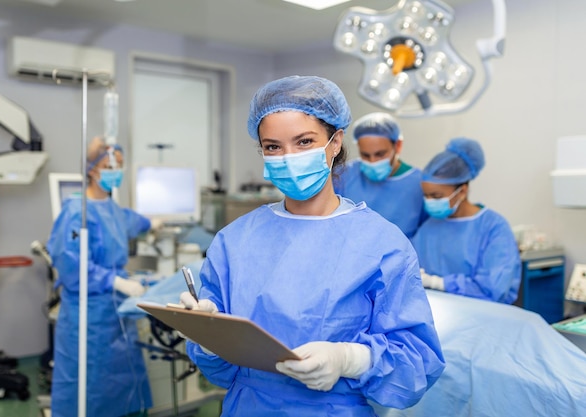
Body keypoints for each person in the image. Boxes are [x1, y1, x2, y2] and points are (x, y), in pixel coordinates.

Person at [178, 75, 445, 416]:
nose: (288, 157)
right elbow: (219, 373)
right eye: (273, 147)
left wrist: (349, 359)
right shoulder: (234, 241)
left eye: (304, 142)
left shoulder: (382, 244)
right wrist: (208, 338)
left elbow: (416, 364)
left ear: (335, 143)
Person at [47, 137, 153, 417]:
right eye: (108, 166)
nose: (114, 172)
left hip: (115, 311)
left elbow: (134, 222)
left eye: (119, 166)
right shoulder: (76, 211)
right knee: (85, 381)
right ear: (92, 169)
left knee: (115, 380)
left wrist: (155, 222)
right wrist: (116, 281)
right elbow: (70, 264)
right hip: (87, 314)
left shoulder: (112, 209)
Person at [411, 137, 522, 304]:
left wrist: (438, 283)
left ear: (462, 191)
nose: (429, 201)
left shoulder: (493, 227)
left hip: (484, 320)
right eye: (425, 195)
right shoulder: (428, 228)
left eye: (436, 196)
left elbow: (493, 289)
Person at [333, 112, 427, 238]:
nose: (373, 161)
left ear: (397, 146)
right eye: (365, 155)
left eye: (380, 154)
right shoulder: (344, 174)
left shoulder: (419, 183)